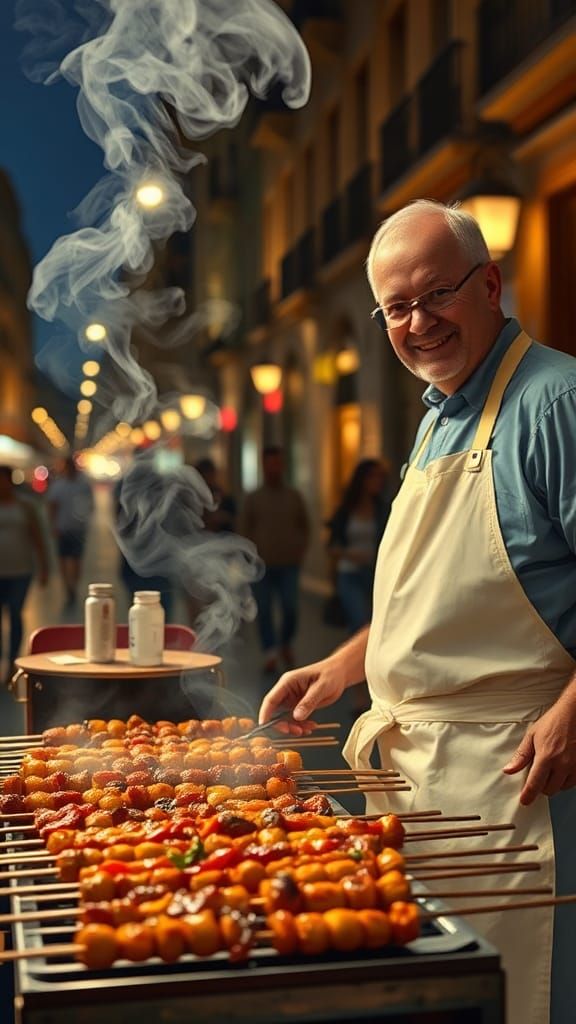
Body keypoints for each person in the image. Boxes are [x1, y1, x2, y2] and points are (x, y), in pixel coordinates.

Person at [259, 200, 576, 1024]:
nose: (417, 323)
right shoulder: (438, 417)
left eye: (437, 294)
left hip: (518, 786)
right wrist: (345, 663)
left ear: (491, 286)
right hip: (419, 788)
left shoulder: (557, 402)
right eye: (396, 307)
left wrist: (574, 711)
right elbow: (441, 594)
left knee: (520, 996)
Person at [239, 445, 310, 673]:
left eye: (278, 463)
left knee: (290, 607)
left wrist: (300, 550)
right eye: (270, 463)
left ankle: (286, 642)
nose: (274, 468)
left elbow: (304, 526)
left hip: (289, 563)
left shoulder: (293, 496)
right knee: (264, 609)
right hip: (262, 566)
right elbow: (244, 529)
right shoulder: (254, 498)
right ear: (263, 465)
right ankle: (270, 650)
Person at [327, 459, 390, 634]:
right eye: (373, 476)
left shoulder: (383, 509)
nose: (377, 481)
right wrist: (350, 555)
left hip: (375, 574)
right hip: (350, 573)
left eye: (380, 476)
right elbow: (331, 546)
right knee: (360, 622)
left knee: (375, 625)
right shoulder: (346, 511)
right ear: (362, 479)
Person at [0, 466, 49, 681]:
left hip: (21, 570)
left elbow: (37, 536)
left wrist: (44, 566)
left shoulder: (25, 506)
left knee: (15, 612)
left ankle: (12, 660)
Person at [47, 456, 93, 607]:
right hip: (63, 528)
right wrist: (53, 526)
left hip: (77, 529)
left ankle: (73, 586)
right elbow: (52, 507)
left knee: (76, 560)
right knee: (63, 559)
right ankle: (68, 587)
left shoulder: (83, 485)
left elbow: (89, 504)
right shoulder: (58, 486)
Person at [194, 457, 237, 533]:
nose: (208, 478)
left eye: (210, 474)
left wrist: (223, 516)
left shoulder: (223, 496)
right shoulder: (193, 497)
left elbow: (233, 515)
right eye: (204, 475)